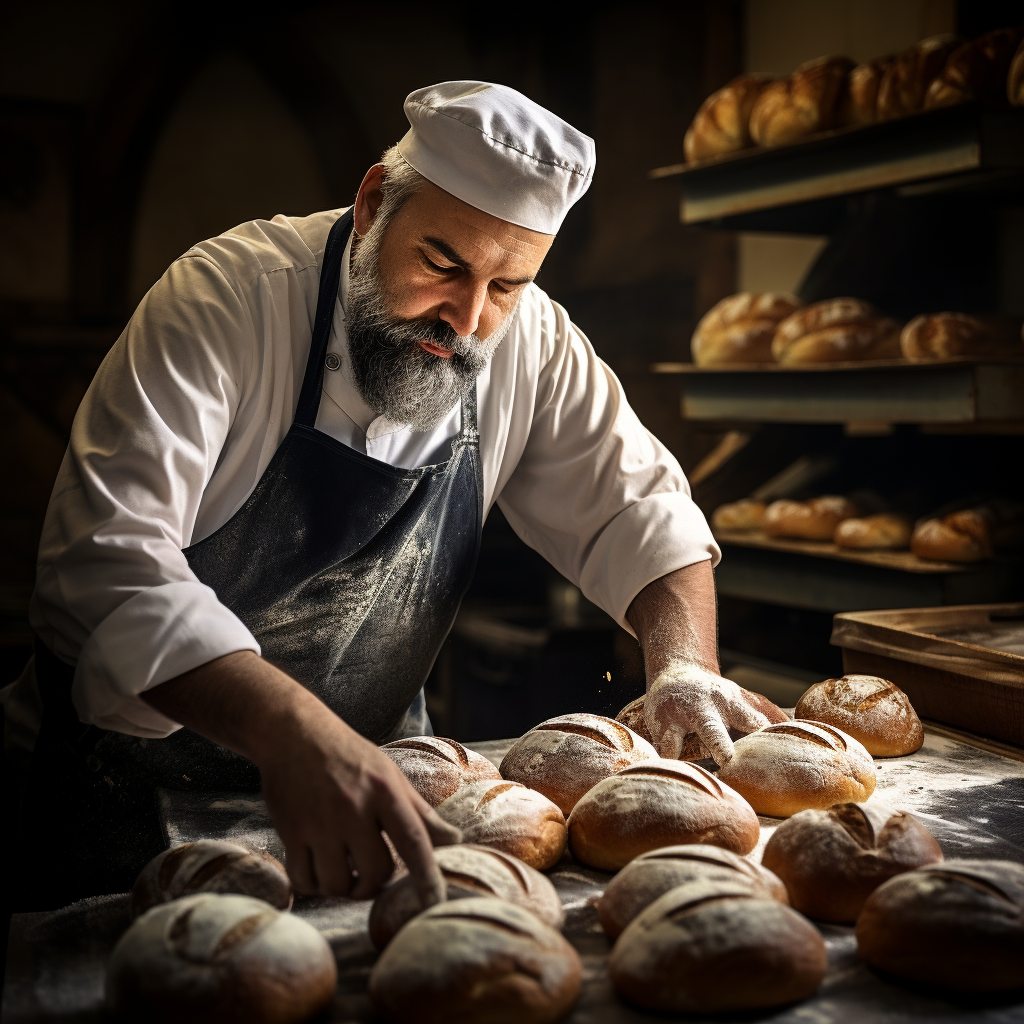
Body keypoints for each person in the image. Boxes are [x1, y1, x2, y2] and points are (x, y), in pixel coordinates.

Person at [7, 81, 772, 910]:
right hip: (118, 804)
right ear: (374, 203)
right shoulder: (229, 300)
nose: (468, 318)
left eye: (507, 285)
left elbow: (641, 510)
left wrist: (685, 667)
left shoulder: (530, 338)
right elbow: (106, 570)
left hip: (376, 800)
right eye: (442, 264)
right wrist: (296, 738)